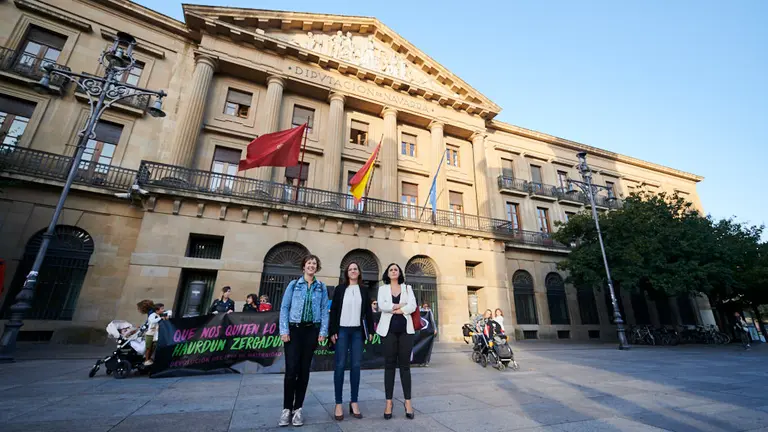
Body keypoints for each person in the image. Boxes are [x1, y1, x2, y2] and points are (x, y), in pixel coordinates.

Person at [278, 254, 329, 427]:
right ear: (303, 266)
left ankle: (298, 408)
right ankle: (286, 409)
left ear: (317, 267)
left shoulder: (321, 287)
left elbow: (324, 310)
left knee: (304, 370)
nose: (311, 265)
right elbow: (284, 307)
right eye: (309, 263)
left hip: (311, 331)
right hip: (294, 330)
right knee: (291, 369)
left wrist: (322, 331)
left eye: (314, 263)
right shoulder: (294, 285)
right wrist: (284, 329)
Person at [329, 262, 374, 421]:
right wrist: (332, 330)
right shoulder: (340, 289)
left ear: (359, 272)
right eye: (350, 269)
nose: (353, 271)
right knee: (340, 365)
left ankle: (354, 401)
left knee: (356, 365)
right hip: (341, 330)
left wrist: (371, 330)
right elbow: (333, 310)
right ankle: (338, 403)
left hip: (357, 332)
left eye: (355, 269)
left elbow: (368, 311)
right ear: (346, 273)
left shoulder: (364, 290)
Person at [377, 263, 417, 420]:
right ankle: (389, 403)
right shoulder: (382, 289)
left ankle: (408, 403)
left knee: (405, 367)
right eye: (391, 270)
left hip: (406, 332)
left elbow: (413, 305)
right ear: (387, 273)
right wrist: (399, 304)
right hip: (388, 332)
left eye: (396, 269)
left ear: (400, 273)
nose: (393, 271)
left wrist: (399, 310)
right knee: (389, 366)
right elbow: (382, 305)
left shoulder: (407, 288)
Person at [136, 300, 162, 366]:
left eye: (139, 309)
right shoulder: (152, 312)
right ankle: (148, 359)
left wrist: (142, 328)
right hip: (154, 331)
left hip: (152, 333)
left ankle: (147, 359)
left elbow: (149, 323)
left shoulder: (151, 313)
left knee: (149, 347)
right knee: (151, 346)